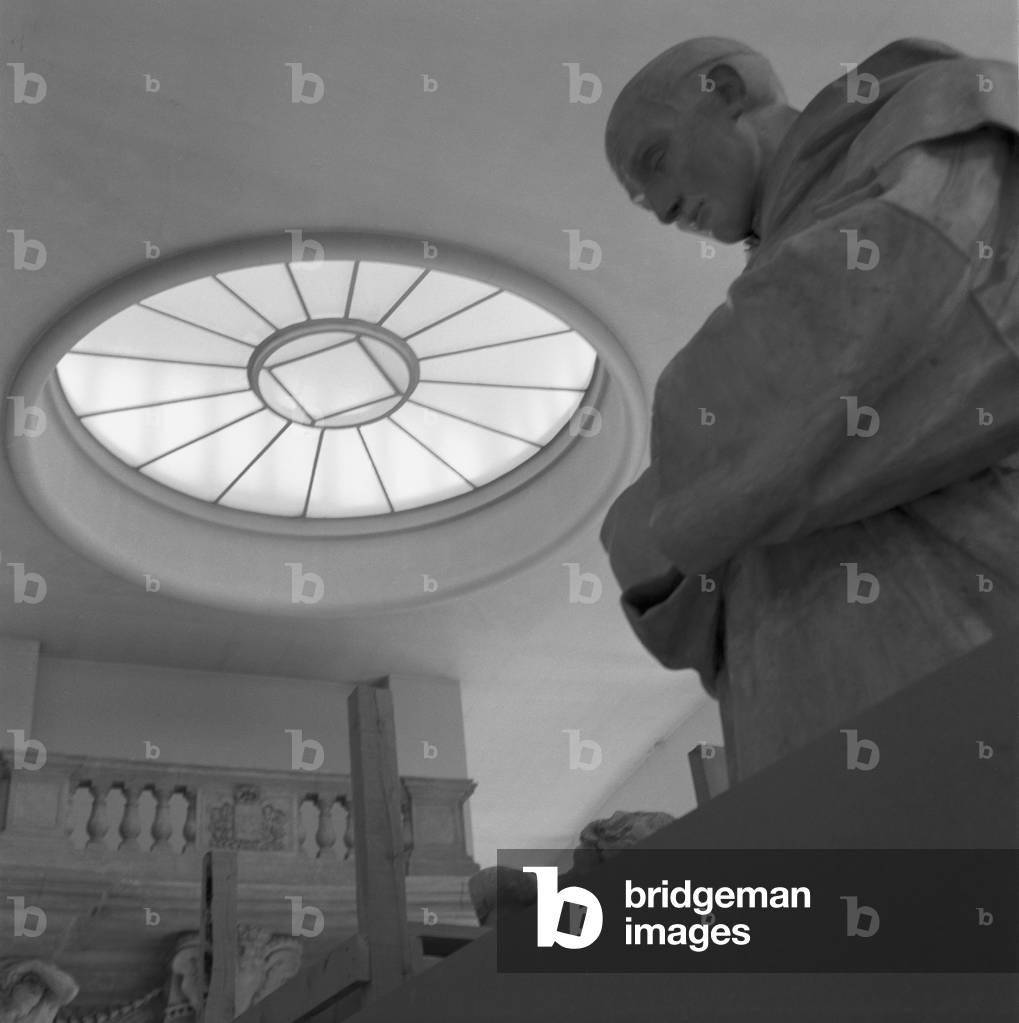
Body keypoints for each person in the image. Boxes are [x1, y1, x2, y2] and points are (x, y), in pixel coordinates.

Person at [599, 37, 1019, 784]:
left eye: (654, 161)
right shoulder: (787, 260)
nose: (660, 211)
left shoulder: (937, 108)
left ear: (724, 87)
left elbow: (910, 308)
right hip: (801, 713)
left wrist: (665, 501)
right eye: (640, 202)